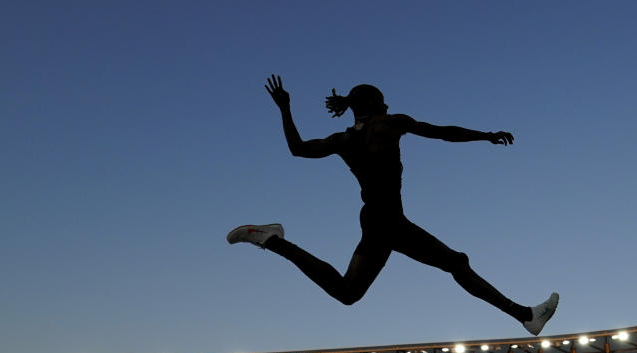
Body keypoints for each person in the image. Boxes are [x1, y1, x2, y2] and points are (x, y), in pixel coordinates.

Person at [228, 75, 559, 336]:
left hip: (375, 219)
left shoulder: (342, 140)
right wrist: (486, 135)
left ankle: (272, 240)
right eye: (383, 101)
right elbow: (442, 132)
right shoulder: (389, 123)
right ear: (374, 103)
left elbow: (298, 148)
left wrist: (285, 108)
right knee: (457, 263)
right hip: (387, 220)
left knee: (347, 293)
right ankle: (526, 316)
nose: (387, 105)